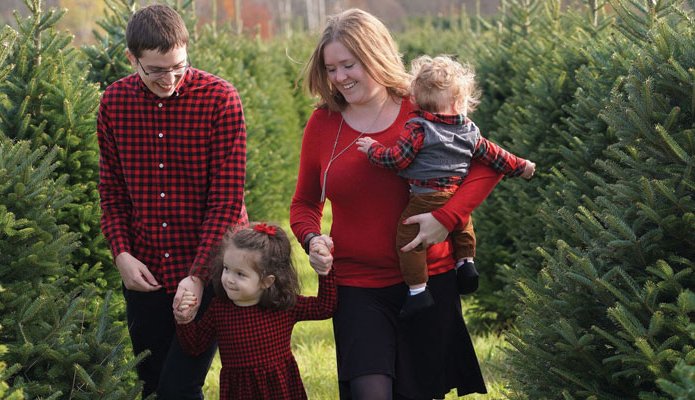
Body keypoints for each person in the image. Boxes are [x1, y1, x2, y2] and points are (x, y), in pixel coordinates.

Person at [291, 8, 501, 400]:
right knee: (371, 391)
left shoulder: (422, 106)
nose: (339, 77)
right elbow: (304, 202)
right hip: (357, 285)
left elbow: (487, 167)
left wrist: (444, 218)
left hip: (428, 280)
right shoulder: (323, 124)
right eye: (331, 68)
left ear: (376, 55)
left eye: (349, 65)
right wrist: (312, 240)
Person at [95, 3, 247, 398]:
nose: (170, 78)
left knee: (180, 387)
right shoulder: (114, 104)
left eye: (178, 65)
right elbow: (111, 191)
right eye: (156, 70)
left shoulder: (220, 100)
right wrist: (121, 255)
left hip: (210, 266)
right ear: (132, 59)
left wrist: (198, 276)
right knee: (153, 385)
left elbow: (227, 201)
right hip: (144, 272)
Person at [354, 55, 536, 318]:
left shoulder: (418, 128)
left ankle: (418, 291)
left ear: (417, 99)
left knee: (408, 241)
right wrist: (523, 166)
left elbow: (396, 159)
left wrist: (373, 149)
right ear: (458, 101)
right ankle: (466, 263)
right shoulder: (470, 130)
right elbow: (496, 156)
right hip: (455, 197)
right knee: (462, 226)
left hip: (424, 197)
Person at [174, 223, 337, 400]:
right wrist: (184, 320)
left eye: (240, 274)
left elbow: (324, 308)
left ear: (266, 281)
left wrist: (325, 272)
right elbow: (195, 346)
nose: (229, 279)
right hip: (239, 391)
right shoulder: (219, 309)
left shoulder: (281, 306)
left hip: (278, 389)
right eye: (227, 268)